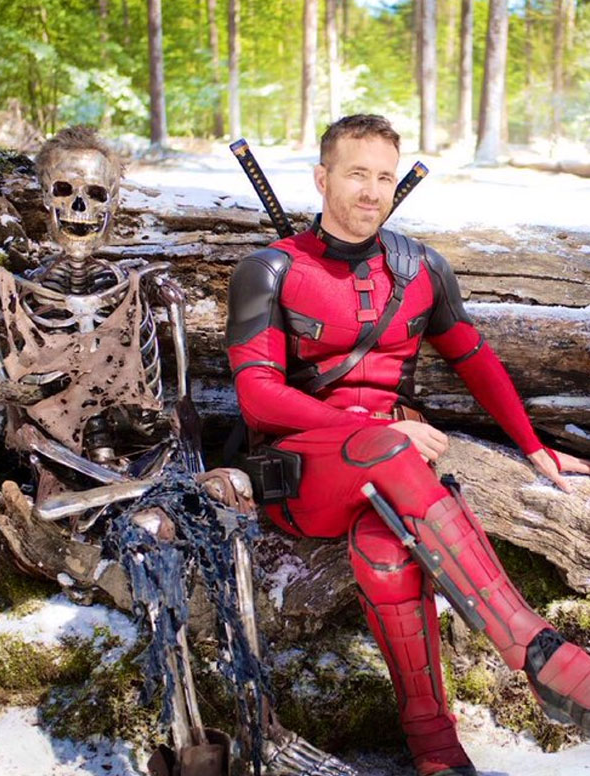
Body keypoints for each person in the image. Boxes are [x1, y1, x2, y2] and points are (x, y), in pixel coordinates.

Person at [224, 114, 590, 776]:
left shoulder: (422, 268)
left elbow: (473, 357)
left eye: (384, 177)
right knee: (395, 452)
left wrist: (533, 444)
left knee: (386, 549)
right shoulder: (267, 270)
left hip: (388, 481)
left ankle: (435, 750)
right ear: (322, 178)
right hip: (298, 477)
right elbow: (259, 397)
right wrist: (379, 429)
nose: (371, 191)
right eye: (356, 174)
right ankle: (540, 652)